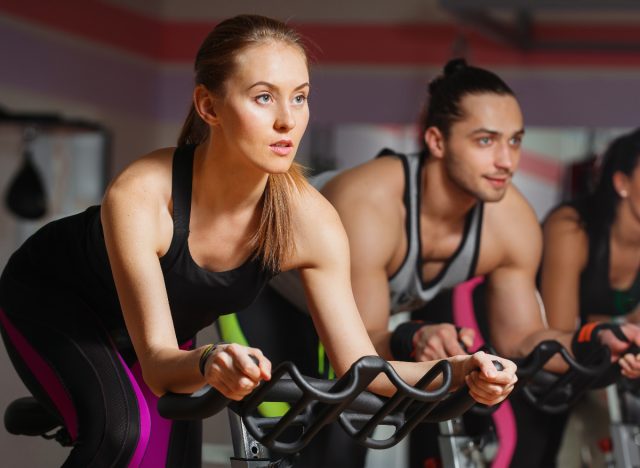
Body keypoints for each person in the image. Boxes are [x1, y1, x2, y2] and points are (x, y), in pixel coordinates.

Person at [0, 16, 517, 468]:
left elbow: (363, 369)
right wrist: (208, 360)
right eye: (264, 97)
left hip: (160, 330)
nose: (288, 120)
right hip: (53, 301)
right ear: (209, 106)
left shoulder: (308, 221)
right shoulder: (144, 194)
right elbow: (159, 363)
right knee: (123, 438)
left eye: (301, 97)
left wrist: (454, 372)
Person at [229, 59, 640, 467]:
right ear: (436, 141)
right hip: (268, 292)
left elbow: (522, 341)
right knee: (285, 444)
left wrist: (596, 340)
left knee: (346, 440)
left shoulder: (512, 223)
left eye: (514, 141)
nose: (506, 161)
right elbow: (366, 352)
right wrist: (412, 336)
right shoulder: (370, 204)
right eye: (485, 141)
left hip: (349, 316)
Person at [540, 129, 640, 465]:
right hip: (538, 361)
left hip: (601, 369)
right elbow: (560, 336)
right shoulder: (571, 228)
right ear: (622, 182)